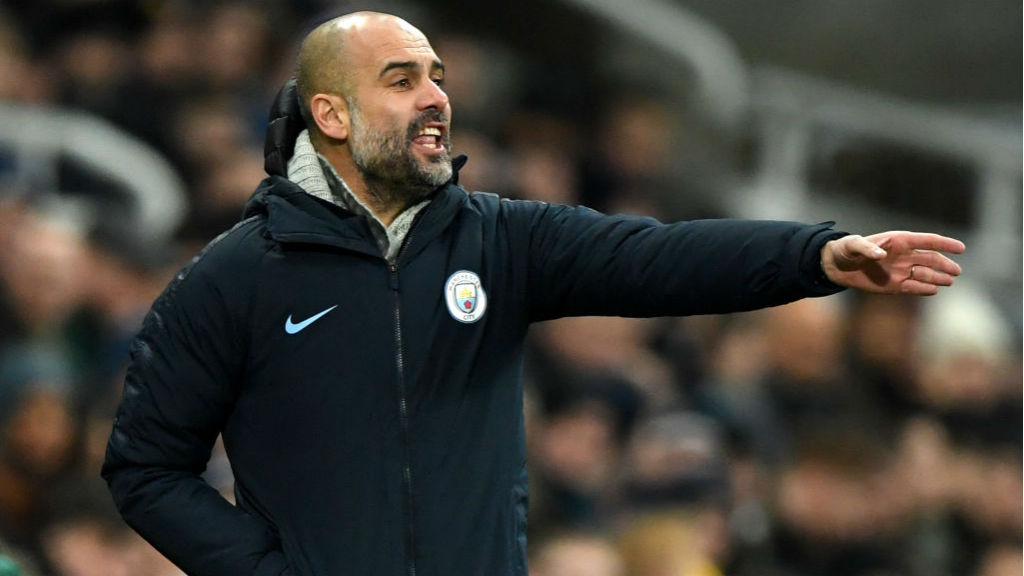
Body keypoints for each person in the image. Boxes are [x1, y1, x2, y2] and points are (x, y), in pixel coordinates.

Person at [101, 11, 965, 576]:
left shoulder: (500, 238)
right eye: (402, 80)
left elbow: (657, 259)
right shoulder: (235, 276)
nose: (437, 96)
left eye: (437, 74)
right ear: (332, 116)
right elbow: (144, 466)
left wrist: (815, 255)